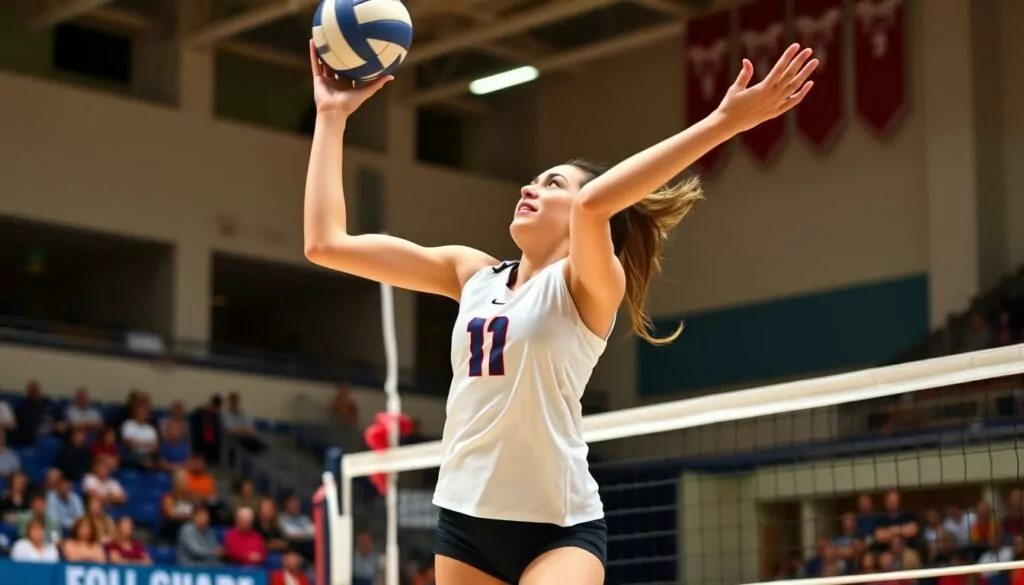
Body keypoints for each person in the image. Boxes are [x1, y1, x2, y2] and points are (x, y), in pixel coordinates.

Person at [303, 36, 816, 585]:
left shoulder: (590, 284)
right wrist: (331, 115)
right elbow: (325, 244)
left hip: (559, 527)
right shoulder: (471, 273)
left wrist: (722, 123)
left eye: (553, 184)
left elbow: (597, 204)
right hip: (465, 518)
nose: (529, 187)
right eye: (533, 179)